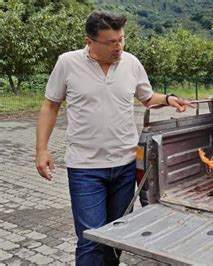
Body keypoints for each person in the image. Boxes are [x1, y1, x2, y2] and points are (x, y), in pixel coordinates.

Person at [35, 10, 190, 265]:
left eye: (121, 40)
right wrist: (41, 150)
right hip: (85, 168)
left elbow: (147, 97)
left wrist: (169, 99)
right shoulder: (67, 63)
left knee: (115, 237)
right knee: (91, 239)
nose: (118, 47)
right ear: (90, 42)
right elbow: (50, 106)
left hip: (125, 165)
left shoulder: (131, 62)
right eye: (110, 43)